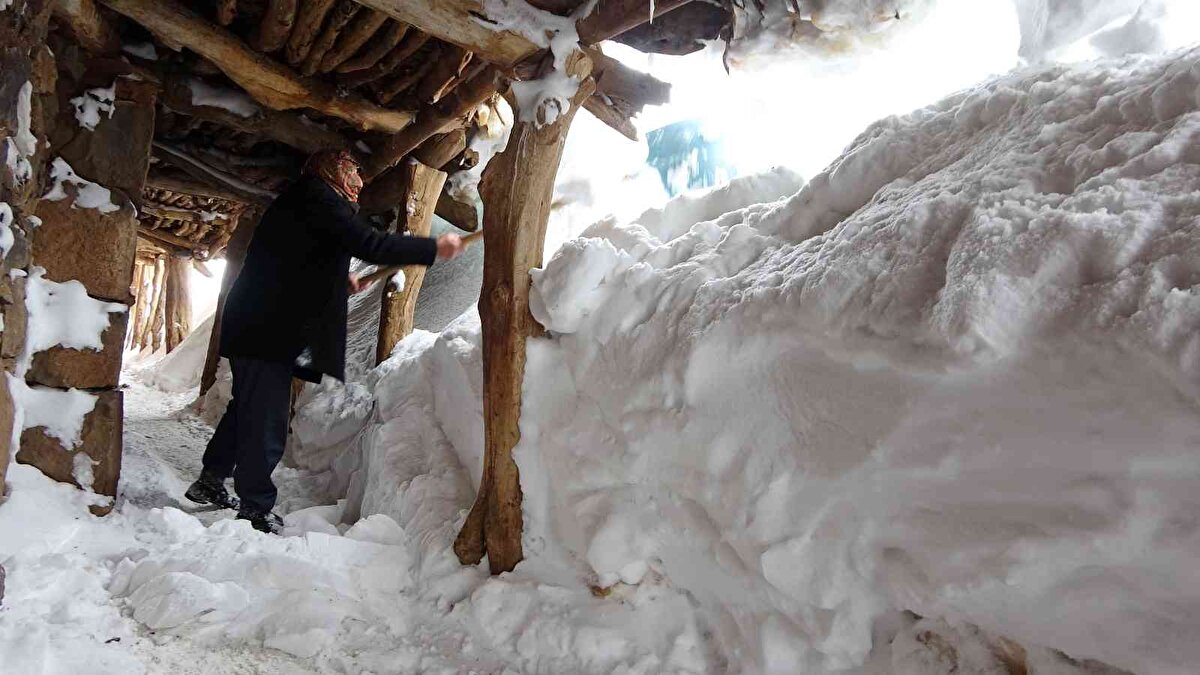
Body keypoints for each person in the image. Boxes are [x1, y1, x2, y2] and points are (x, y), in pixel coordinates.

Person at [184, 149, 465, 533]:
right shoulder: (317, 197)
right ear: (331, 171)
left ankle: (211, 479)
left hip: (258, 323)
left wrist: (336, 281)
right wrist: (432, 248)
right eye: (351, 170)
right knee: (266, 418)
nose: (359, 181)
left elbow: (295, 262)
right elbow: (370, 245)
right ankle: (255, 506)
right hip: (266, 327)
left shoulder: (304, 203)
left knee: (246, 408)